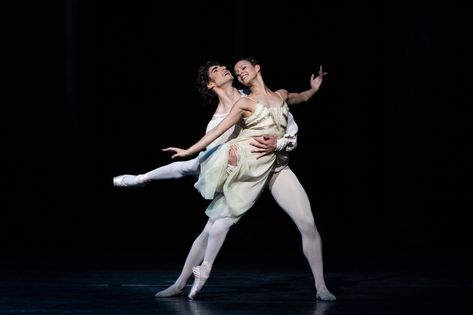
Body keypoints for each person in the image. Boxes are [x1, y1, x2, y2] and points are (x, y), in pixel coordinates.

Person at [114, 59, 335, 301]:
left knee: (304, 222)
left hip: (274, 166)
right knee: (192, 169)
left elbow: (293, 109)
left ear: (256, 68)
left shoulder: (261, 95)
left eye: (240, 68)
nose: (234, 71)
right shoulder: (234, 108)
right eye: (223, 70)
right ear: (211, 84)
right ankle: (141, 179)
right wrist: (198, 150)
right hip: (239, 165)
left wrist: (313, 89)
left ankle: (321, 286)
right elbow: (214, 135)